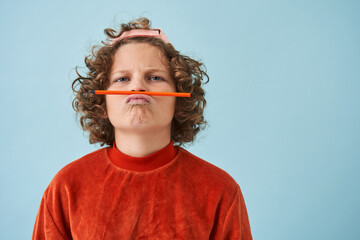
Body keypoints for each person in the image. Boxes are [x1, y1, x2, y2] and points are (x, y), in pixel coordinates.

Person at [32, 17, 252, 239]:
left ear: (179, 100)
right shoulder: (66, 187)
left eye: (155, 77)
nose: (137, 87)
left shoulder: (220, 190)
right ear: (102, 103)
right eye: (122, 79)